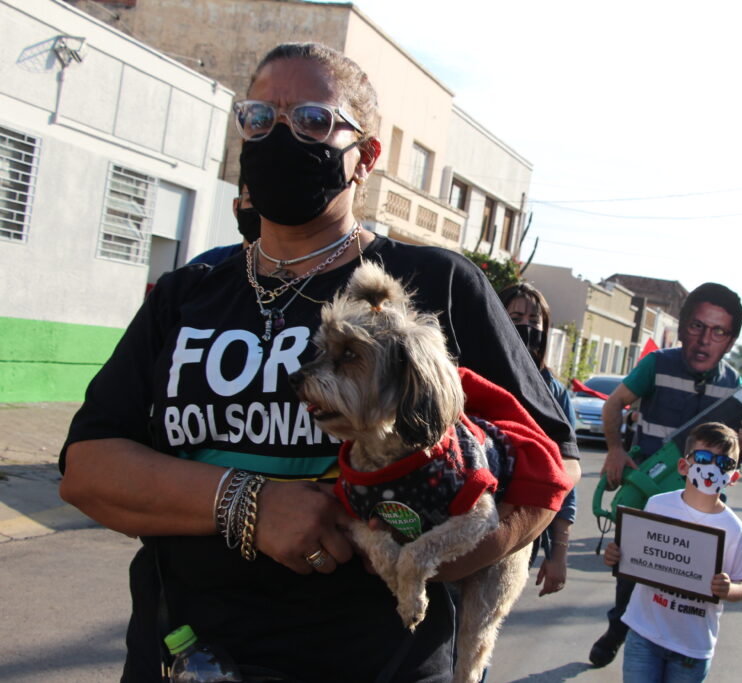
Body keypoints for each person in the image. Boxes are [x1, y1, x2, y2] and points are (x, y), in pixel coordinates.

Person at [59, 42, 580, 682]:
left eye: (311, 119)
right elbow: (87, 469)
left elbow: (553, 459)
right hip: (183, 657)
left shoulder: (435, 284)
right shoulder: (188, 291)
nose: (281, 136)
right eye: (259, 118)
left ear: (366, 156)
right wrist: (248, 503)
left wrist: (441, 555)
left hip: (378, 663)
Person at [588, 282, 742, 669]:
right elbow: (615, 404)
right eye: (697, 326)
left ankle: (673, 647)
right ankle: (620, 628)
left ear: (731, 341)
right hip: (649, 486)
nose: (704, 339)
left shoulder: (735, 387)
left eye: (718, 331)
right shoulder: (657, 364)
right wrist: (615, 450)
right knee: (631, 565)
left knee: (689, 577)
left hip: (702, 499)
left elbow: (729, 451)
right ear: (682, 327)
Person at [602, 422, 742, 682]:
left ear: (733, 477)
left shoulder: (734, 529)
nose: (712, 468)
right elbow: (635, 554)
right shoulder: (658, 505)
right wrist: (616, 555)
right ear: (684, 466)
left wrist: (729, 589)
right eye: (704, 458)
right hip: (644, 633)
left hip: (691, 648)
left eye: (724, 464)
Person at [498, 282, 577, 596]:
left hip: (521, 532)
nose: (525, 328)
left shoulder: (554, 394)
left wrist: (558, 553)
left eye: (534, 322)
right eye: (515, 317)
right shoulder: (472, 372)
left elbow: (565, 476)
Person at [189, 180, 260, 266]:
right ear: (236, 206)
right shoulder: (206, 265)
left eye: (272, 202)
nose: (261, 211)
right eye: (252, 200)